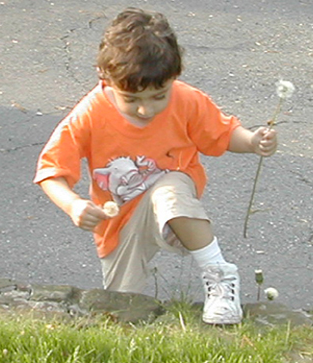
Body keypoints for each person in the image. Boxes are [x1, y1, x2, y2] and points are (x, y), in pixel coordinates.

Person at [34, 7, 277, 325]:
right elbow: (51, 171)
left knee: (168, 192)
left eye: (159, 96)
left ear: (174, 78)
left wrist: (251, 141)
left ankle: (219, 277)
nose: (146, 109)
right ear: (105, 79)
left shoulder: (186, 100)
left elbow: (222, 131)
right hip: (119, 221)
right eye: (131, 100)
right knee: (120, 308)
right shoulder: (90, 113)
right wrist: (73, 205)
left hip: (172, 188)